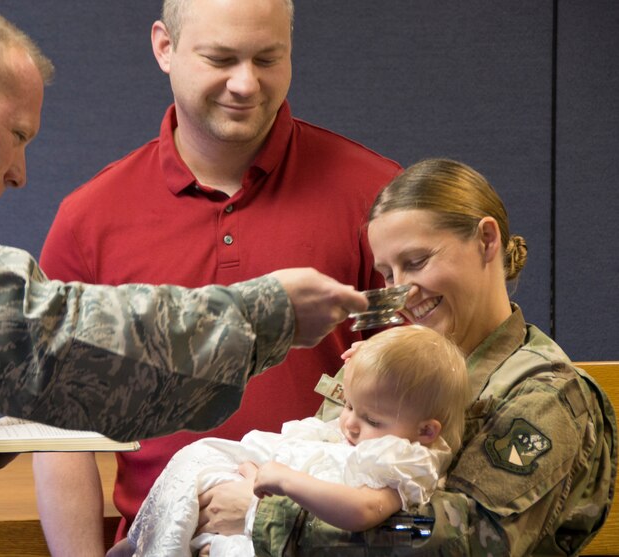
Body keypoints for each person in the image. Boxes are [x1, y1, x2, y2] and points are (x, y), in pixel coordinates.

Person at [0, 3, 373, 555]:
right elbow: (47, 352)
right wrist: (267, 315)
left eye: (267, 58)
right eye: (17, 133)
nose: (20, 173)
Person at [31, 0, 401, 554]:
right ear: (164, 47)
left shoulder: (378, 198)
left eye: (267, 58)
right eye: (220, 58)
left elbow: (426, 403)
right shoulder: (90, 219)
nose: (246, 84)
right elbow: (57, 431)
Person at [198, 158, 617, 556]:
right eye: (388, 274)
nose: (403, 292)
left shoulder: (546, 395)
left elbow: (461, 540)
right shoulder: (390, 367)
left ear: (487, 241)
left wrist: (264, 516)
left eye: (416, 262)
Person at [107, 325, 469, 557]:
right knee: (198, 456)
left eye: (371, 419)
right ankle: (143, 540)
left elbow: (364, 512)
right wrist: (257, 474)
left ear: (426, 431)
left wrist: (285, 481)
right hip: (268, 500)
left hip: (281, 537)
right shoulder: (363, 435)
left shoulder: (403, 461)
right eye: (348, 405)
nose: (350, 424)